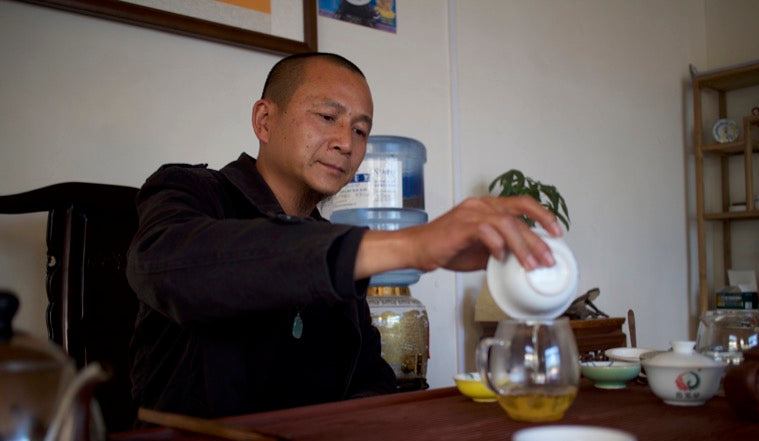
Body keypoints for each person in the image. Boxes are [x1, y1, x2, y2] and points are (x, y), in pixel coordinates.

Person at [126, 52, 562, 420]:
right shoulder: (191, 193)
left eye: (360, 130)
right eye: (327, 116)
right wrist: (413, 245)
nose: (346, 142)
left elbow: (368, 378)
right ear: (264, 120)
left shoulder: (334, 241)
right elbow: (173, 268)